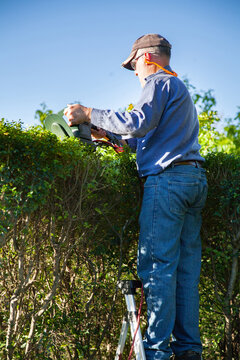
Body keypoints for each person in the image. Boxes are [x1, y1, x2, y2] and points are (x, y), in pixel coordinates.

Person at [64, 34, 208, 360]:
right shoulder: (177, 88)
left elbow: (137, 122)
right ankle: (188, 353)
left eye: (133, 66)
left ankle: (156, 354)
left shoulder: (157, 82)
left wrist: (89, 113)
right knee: (184, 274)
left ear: (146, 58)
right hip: (191, 180)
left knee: (158, 270)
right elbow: (142, 136)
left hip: (167, 183)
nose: (135, 73)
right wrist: (107, 136)